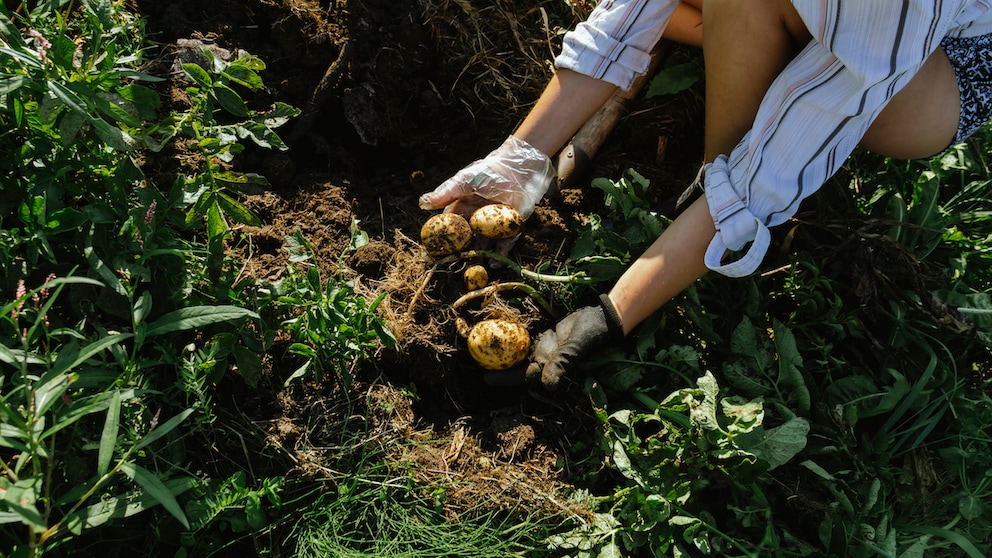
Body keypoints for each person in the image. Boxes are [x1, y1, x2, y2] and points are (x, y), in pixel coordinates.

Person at [419, 0, 992, 390]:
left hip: (934, 65)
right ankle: (762, 51)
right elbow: (631, 12)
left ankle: (711, 168)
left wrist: (611, 314)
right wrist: (522, 158)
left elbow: (782, 162)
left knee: (748, 21)